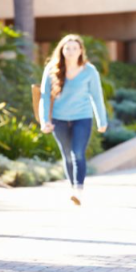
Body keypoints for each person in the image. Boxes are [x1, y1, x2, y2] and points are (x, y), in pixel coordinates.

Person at [39, 34, 108, 206]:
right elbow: (44, 97)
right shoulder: (51, 69)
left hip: (82, 118)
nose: (70, 51)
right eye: (67, 48)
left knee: (77, 153)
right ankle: (72, 188)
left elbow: (97, 97)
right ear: (61, 50)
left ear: (81, 51)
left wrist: (102, 120)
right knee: (67, 155)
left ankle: (78, 190)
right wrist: (43, 120)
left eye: (74, 48)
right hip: (59, 119)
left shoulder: (89, 71)